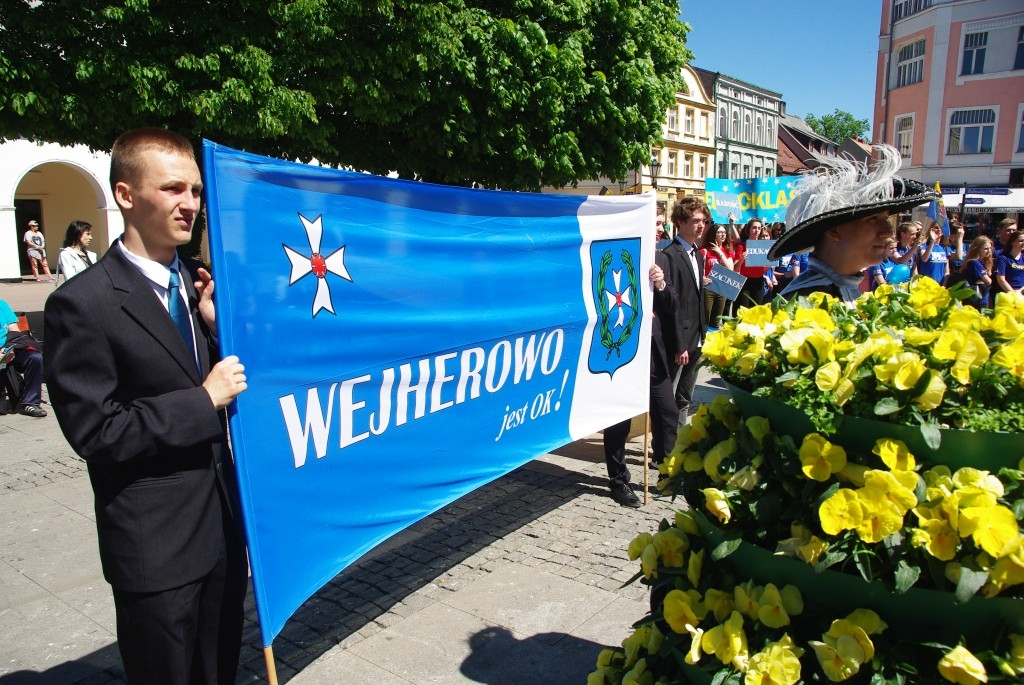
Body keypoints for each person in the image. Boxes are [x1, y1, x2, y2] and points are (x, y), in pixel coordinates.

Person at [44, 128, 249, 684]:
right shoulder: (80, 305)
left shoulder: (196, 286)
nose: (191, 205)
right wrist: (202, 400)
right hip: (155, 550)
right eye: (174, 189)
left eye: (197, 191)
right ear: (127, 195)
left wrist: (213, 329)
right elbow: (96, 431)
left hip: (222, 532)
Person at [770, 145, 937, 303]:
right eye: (873, 219)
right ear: (834, 230)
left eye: (885, 219)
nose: (888, 232)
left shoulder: (842, 288)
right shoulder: (807, 301)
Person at [602, 247, 679, 508]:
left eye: (659, 223)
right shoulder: (613, 250)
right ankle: (618, 480)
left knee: (667, 411)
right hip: (619, 348)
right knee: (619, 421)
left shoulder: (660, 257)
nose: (657, 228)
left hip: (653, 351)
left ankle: (667, 473)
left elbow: (672, 305)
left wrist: (660, 285)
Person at [662, 196, 710, 426]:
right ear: (680, 222)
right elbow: (672, 305)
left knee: (685, 396)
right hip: (679, 341)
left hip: (697, 337)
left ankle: (678, 444)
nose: (701, 226)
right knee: (668, 398)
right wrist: (679, 344)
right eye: (695, 221)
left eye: (704, 221)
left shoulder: (697, 255)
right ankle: (664, 447)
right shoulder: (670, 254)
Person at [0, 298, 46, 417]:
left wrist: (10, 350)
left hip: (7, 349)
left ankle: (30, 403)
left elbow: (14, 332)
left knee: (35, 358)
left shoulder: (2, 305)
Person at [732, 219, 776, 312]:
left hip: (758, 283)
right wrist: (742, 259)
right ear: (749, 229)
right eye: (754, 228)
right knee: (744, 311)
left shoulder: (764, 247)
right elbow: (735, 269)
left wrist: (772, 261)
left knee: (756, 311)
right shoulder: (742, 246)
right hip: (744, 282)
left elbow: (763, 269)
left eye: (759, 228)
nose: (756, 230)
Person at [699, 222, 736, 329]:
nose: (723, 235)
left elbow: (730, 268)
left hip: (721, 288)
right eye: (719, 232)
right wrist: (702, 277)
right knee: (705, 317)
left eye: (724, 232)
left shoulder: (728, 250)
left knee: (716, 319)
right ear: (713, 234)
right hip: (708, 288)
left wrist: (720, 252)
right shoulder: (704, 251)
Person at [952, 236, 994, 308]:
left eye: (990, 248)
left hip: (982, 298)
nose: (989, 251)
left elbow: (989, 274)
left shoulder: (982, 262)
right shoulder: (974, 262)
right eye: (986, 249)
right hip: (978, 299)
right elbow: (988, 281)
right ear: (977, 249)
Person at [994, 229, 1024, 297]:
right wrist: (1013, 294)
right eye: (1021, 241)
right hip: (1008, 294)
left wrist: (1021, 292)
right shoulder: (1003, 258)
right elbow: (1001, 280)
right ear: (1012, 242)